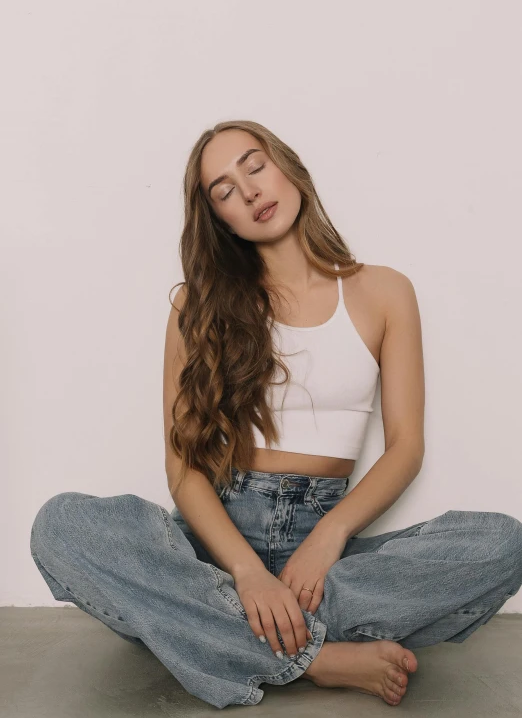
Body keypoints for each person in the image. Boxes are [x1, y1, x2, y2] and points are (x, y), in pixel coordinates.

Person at [30, 120, 522, 710]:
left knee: (501, 543)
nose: (250, 191)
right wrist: (245, 571)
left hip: (324, 555)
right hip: (217, 545)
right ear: (220, 220)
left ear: (287, 167)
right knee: (63, 527)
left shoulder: (385, 291)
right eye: (224, 190)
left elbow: (406, 448)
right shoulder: (196, 306)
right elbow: (183, 468)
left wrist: (329, 537)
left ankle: (215, 631)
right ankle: (315, 657)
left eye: (254, 166)